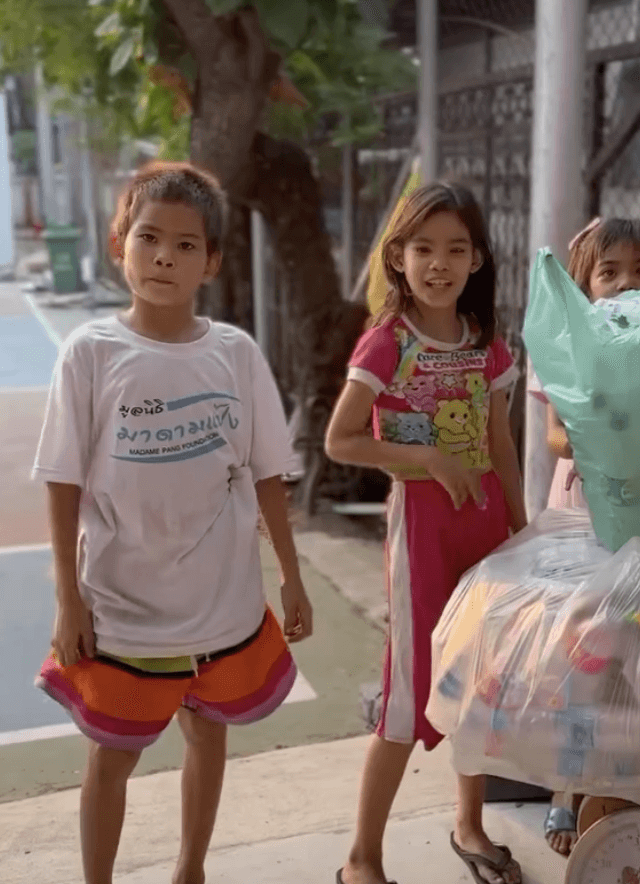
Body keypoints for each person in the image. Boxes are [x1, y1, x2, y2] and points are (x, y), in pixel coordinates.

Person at [34, 161, 313, 884]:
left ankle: (191, 869)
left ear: (211, 262)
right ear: (119, 242)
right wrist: (69, 599)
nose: (164, 255)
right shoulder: (90, 355)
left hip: (222, 606)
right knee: (112, 756)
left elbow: (268, 474)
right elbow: (61, 483)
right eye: (149, 238)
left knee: (207, 732)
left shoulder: (235, 353)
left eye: (187, 245)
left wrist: (291, 576)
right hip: (125, 613)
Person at [325, 182, 527, 884]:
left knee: (477, 684)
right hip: (423, 536)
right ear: (398, 257)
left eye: (454, 248)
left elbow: (501, 441)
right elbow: (340, 440)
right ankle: (362, 858)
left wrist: (521, 529)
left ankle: (469, 824)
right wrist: (427, 459)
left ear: (476, 260)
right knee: (407, 703)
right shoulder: (388, 341)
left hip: (489, 535)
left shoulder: (485, 341)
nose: (438, 262)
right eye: (423, 248)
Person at [528, 217, 640, 857]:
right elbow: (556, 435)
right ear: (586, 287)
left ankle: (635, 783)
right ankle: (568, 791)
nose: (626, 283)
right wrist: (608, 444)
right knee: (584, 662)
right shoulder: (567, 345)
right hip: (586, 520)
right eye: (608, 273)